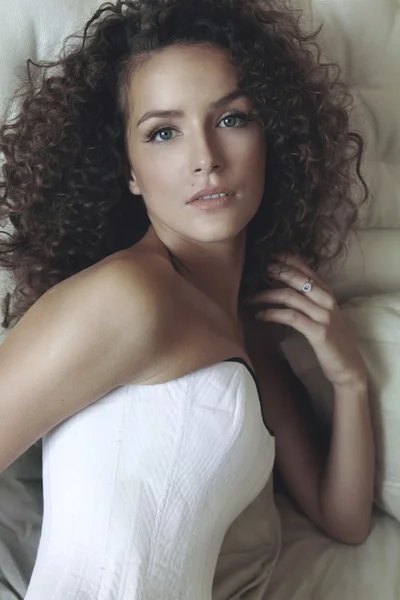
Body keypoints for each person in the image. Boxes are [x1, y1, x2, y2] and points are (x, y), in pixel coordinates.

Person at [0, 0, 375, 597]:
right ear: (129, 170)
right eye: (164, 132)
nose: (205, 159)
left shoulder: (247, 340)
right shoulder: (127, 295)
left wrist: (349, 379)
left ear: (271, 135)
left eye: (231, 119)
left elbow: (345, 520)